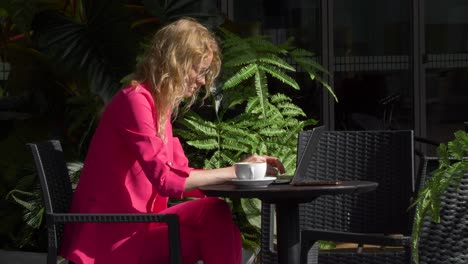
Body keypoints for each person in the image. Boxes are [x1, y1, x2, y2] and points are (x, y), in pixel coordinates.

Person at [60, 18, 285, 264]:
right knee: (212, 226)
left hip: (139, 225)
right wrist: (234, 172)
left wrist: (243, 171)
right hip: (112, 238)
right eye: (199, 70)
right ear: (174, 64)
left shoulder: (158, 107)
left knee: (215, 214)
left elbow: (183, 173)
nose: (202, 81)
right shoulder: (135, 101)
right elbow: (167, 181)